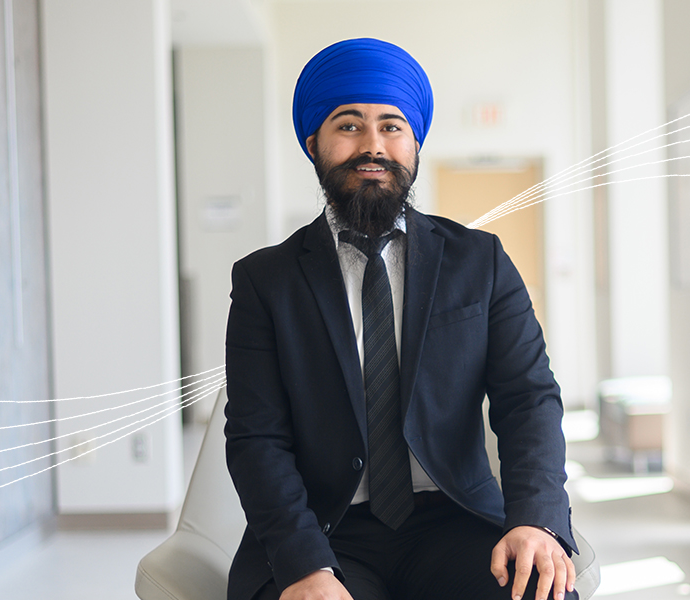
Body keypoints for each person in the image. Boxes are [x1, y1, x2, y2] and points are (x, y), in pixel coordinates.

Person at [222, 38, 578, 600]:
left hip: (457, 519)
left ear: (415, 144)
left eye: (392, 126)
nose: (373, 146)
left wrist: (535, 517)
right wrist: (302, 565)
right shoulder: (266, 281)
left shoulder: (480, 261)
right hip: (327, 532)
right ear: (313, 143)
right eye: (349, 126)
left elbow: (528, 397)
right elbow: (256, 438)